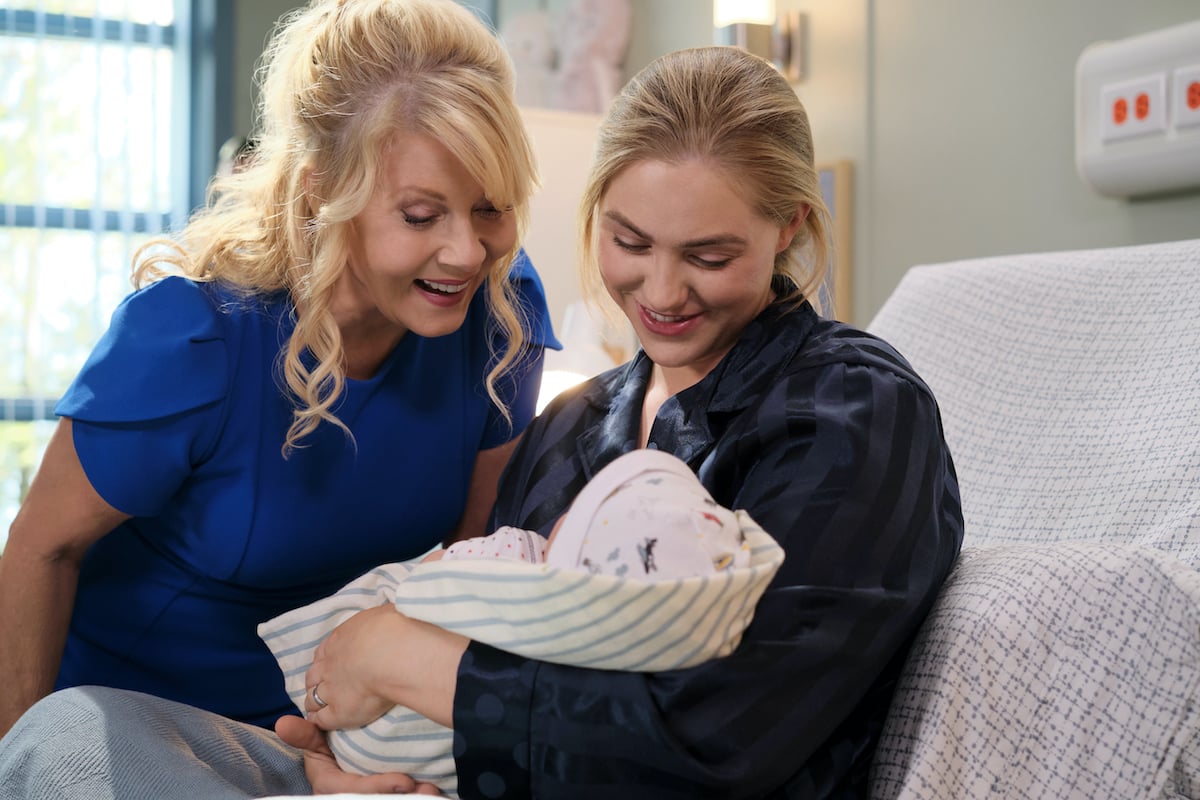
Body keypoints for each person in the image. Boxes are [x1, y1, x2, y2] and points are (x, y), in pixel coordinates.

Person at [0, 45, 963, 800]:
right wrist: (338, 754)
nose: (660, 292)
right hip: (378, 762)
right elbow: (462, 599)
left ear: (790, 227)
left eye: (708, 255)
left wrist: (407, 661)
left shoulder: (848, 414)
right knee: (75, 738)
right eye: (628, 242)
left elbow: (721, 739)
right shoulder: (577, 427)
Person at [0, 0, 556, 749]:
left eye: (490, 208)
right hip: (128, 727)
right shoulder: (192, 340)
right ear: (324, 189)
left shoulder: (499, 312)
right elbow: (41, 551)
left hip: (338, 732)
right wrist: (17, 762)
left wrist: (354, 749)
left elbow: (462, 580)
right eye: (422, 216)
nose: (466, 251)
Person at [257, 448, 785, 792]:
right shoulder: (567, 418)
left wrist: (388, 650)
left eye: (711, 263)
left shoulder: (826, 419)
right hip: (366, 753)